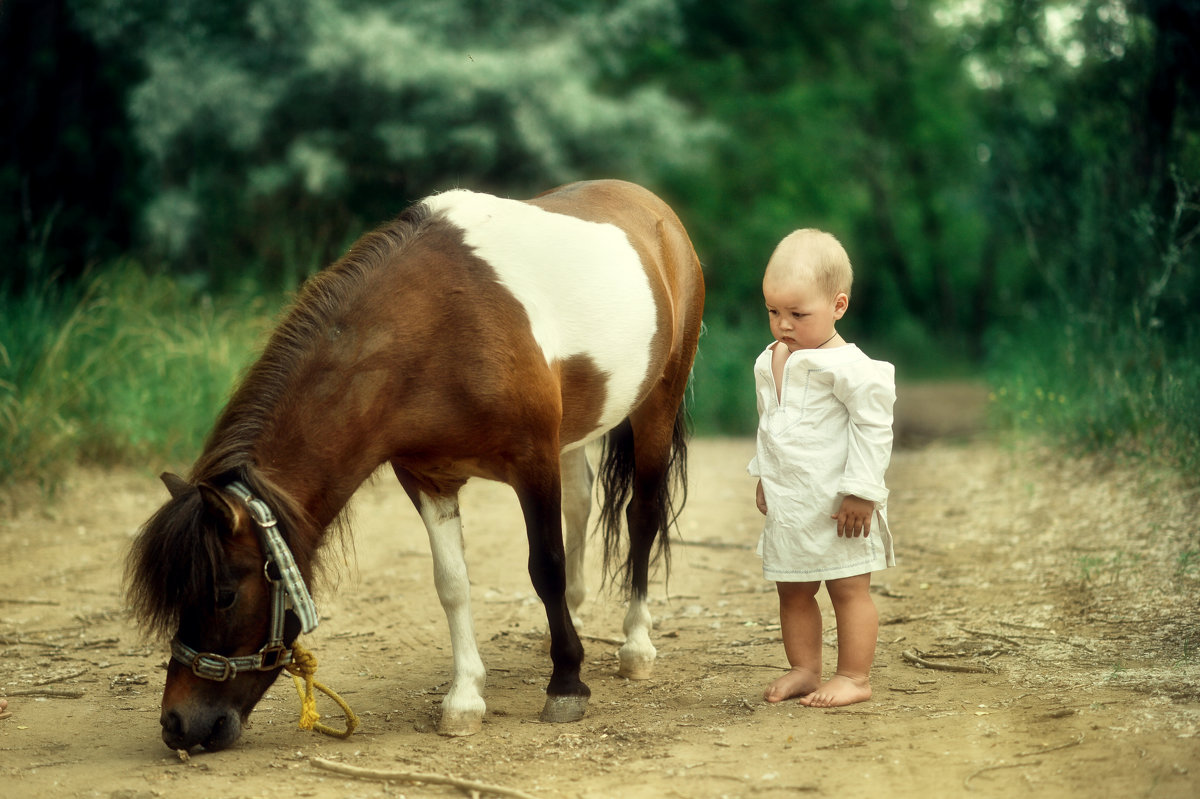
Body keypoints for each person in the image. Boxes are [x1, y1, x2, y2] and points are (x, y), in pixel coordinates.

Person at [748, 228, 896, 708]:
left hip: (840, 505)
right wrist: (763, 474)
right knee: (792, 589)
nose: (783, 325)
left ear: (838, 306)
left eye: (797, 313)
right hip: (794, 502)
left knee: (848, 590)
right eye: (773, 312)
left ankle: (854, 676)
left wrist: (861, 491)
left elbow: (873, 429)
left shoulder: (853, 368)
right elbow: (771, 423)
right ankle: (805, 669)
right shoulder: (768, 361)